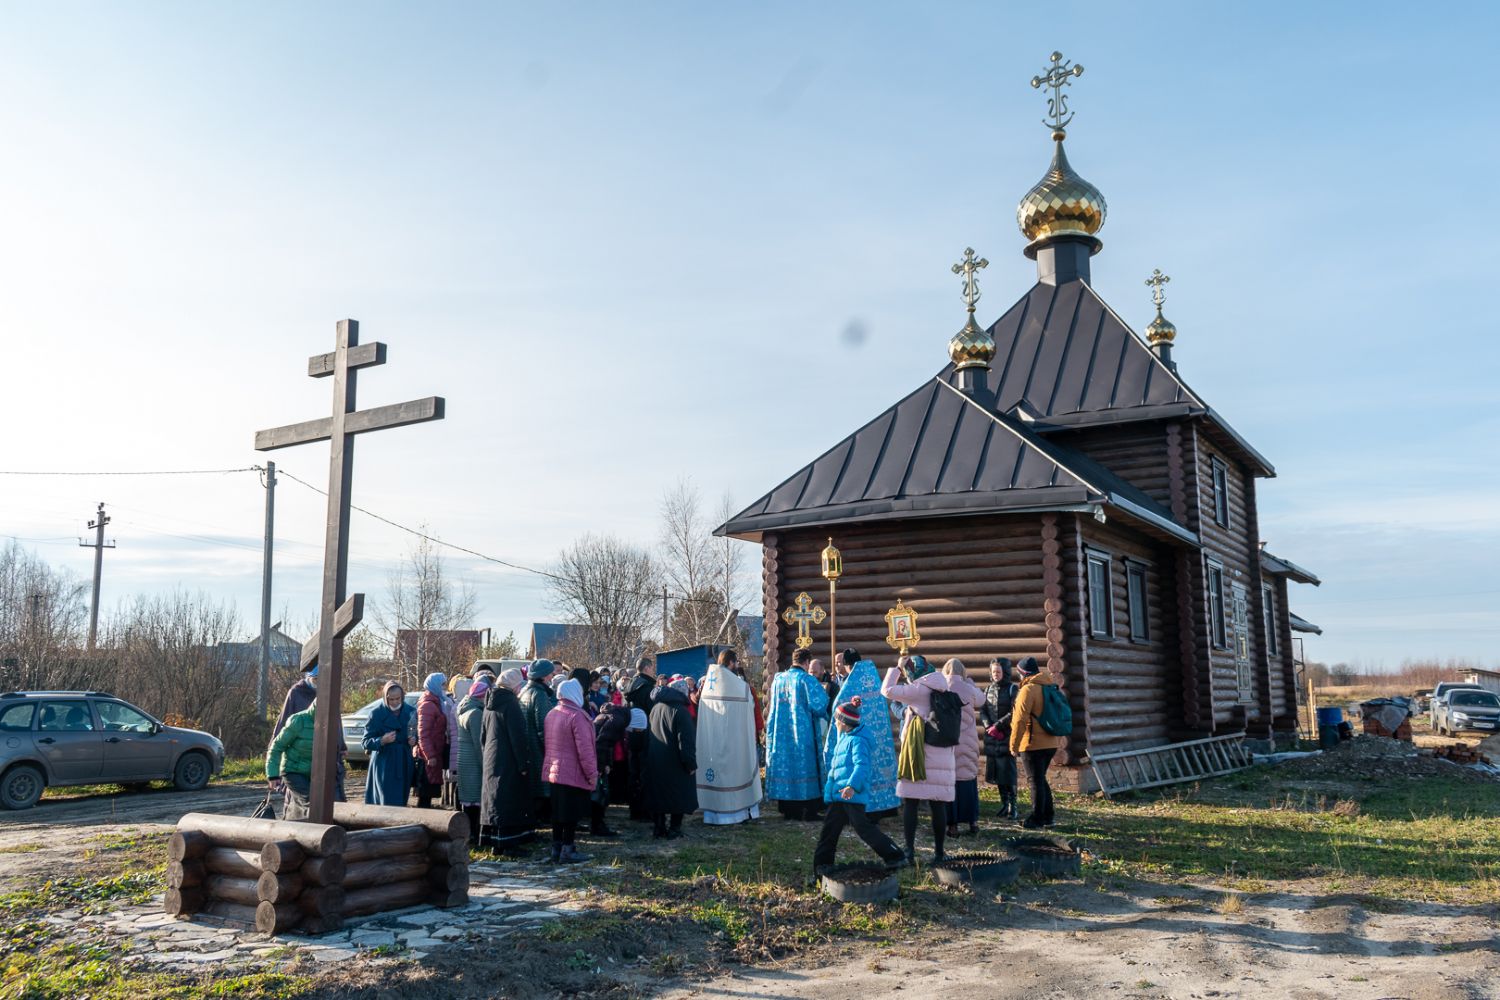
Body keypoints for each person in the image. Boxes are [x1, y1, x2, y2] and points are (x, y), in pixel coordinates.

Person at [883, 654, 973, 865]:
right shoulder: (943, 686)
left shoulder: (917, 690)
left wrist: (897, 669)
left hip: (918, 755)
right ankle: (939, 853)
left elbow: (887, 690)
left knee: (911, 803)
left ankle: (909, 851)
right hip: (943, 756)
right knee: (938, 806)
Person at [813, 697, 907, 875]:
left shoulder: (858, 741)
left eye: (836, 720)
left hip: (851, 795)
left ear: (844, 722)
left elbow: (862, 767)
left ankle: (895, 856)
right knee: (829, 831)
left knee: (863, 828)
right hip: (838, 795)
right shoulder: (845, 737)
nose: (834, 723)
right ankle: (821, 868)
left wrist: (851, 786)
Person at [822, 648, 899, 820]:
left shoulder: (850, 686)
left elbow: (839, 711)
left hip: (857, 739)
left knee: (859, 768)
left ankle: (861, 812)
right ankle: (882, 808)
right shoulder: (873, 679)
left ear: (847, 664)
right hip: (877, 739)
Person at [696, 650, 762, 826]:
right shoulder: (739, 686)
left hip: (712, 741)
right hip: (734, 741)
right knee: (736, 772)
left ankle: (712, 815)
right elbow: (750, 708)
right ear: (731, 662)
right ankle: (737, 814)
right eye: (736, 662)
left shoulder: (708, 682)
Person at [766, 648, 830, 821]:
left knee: (786, 767)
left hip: (781, 734)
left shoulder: (778, 679)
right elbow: (820, 705)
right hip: (802, 734)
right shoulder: (807, 680)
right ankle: (808, 811)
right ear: (807, 662)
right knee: (805, 767)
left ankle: (788, 810)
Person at [270, 662, 346, 809]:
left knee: (331, 800)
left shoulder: (329, 693)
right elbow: (282, 724)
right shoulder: (296, 693)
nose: (319, 683)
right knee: (302, 802)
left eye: (322, 680)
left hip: (323, 755)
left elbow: (336, 720)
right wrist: (275, 766)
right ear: (309, 677)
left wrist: (341, 745)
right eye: (316, 679)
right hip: (299, 757)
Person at [542, 678, 598, 863]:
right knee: (570, 814)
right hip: (572, 771)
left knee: (558, 812)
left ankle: (556, 848)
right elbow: (585, 750)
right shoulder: (577, 716)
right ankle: (568, 849)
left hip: (554, 771)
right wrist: (592, 774)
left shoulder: (552, 713)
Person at [481, 668, 534, 853]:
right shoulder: (511, 703)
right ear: (514, 686)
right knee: (509, 799)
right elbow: (517, 736)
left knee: (494, 799)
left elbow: (483, 735)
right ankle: (509, 844)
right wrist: (523, 763)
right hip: (508, 759)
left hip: (491, 757)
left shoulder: (489, 702)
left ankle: (495, 842)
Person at [1010, 656, 1064, 829]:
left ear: (1023, 673)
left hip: (1032, 743)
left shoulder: (1028, 690)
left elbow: (1019, 721)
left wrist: (1014, 745)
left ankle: (1036, 818)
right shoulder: (1048, 686)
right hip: (1051, 742)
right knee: (1040, 779)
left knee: (1034, 781)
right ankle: (1048, 817)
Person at [645, 678, 697, 838]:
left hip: (656, 759)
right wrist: (690, 763)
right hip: (676, 761)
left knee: (659, 794)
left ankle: (659, 827)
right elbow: (686, 741)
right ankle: (675, 828)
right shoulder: (681, 711)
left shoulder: (656, 707)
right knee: (678, 795)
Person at [942, 658, 985, 838]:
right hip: (969, 740)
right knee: (968, 779)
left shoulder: (942, 687)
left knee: (950, 782)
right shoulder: (968, 688)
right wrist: (972, 684)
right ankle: (973, 821)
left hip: (949, 740)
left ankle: (952, 825)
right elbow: (981, 700)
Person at [362, 681, 415, 806]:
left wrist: (414, 740)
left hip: (403, 761)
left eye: (398, 698)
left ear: (402, 696)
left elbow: (416, 732)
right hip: (384, 763)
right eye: (391, 699)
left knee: (401, 800)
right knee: (386, 801)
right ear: (385, 697)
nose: (395, 702)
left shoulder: (411, 711)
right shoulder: (376, 714)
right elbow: (365, 742)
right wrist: (381, 740)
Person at [519, 659, 559, 823]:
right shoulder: (539, 695)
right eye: (550, 673)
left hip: (528, 744)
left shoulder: (525, 691)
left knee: (534, 783)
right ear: (543, 675)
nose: (552, 675)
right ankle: (541, 817)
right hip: (538, 747)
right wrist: (550, 749)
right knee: (542, 785)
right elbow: (544, 725)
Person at [980, 658, 1019, 819]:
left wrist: (998, 726)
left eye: (998, 671)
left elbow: (1015, 711)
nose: (995, 674)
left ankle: (1013, 806)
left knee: (1008, 772)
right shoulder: (988, 689)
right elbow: (983, 710)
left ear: (1005, 672)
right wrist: (988, 726)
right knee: (997, 773)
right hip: (992, 737)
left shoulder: (1012, 689)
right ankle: (1004, 804)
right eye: (993, 671)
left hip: (1006, 736)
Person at [266, 702, 317, 820]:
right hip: (293, 771)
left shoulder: (331, 723)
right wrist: (272, 774)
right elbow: (277, 746)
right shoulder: (298, 720)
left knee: (325, 801)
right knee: (310, 801)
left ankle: (290, 821)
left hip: (315, 774)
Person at [456, 675, 491, 843]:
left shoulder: (463, 708)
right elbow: (479, 744)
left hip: (464, 760)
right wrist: (486, 766)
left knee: (468, 800)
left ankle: (468, 834)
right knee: (475, 799)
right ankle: (474, 835)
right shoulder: (476, 713)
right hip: (473, 762)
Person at [591, 697, 630, 836]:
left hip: (595, 758)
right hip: (597, 760)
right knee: (601, 793)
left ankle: (597, 823)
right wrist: (602, 766)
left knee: (599, 792)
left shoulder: (604, 717)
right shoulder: (616, 721)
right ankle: (597, 825)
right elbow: (602, 744)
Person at [415, 673, 450, 810]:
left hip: (434, 752)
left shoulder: (436, 702)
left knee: (428, 792)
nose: (444, 688)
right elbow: (423, 734)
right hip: (428, 756)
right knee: (425, 794)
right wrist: (430, 755)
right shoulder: (428, 705)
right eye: (442, 685)